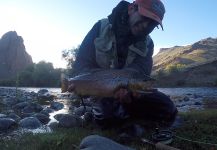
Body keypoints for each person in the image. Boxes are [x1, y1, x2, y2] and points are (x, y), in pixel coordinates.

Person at [69, 0, 177, 129]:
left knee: (168, 108)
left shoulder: (148, 44)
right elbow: (82, 62)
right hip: (101, 92)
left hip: (130, 92)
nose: (146, 25)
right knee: (109, 119)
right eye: (144, 17)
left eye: (152, 24)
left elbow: (141, 72)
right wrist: (84, 85)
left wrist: (132, 93)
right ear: (132, 9)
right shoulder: (100, 27)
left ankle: (128, 114)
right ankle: (111, 113)